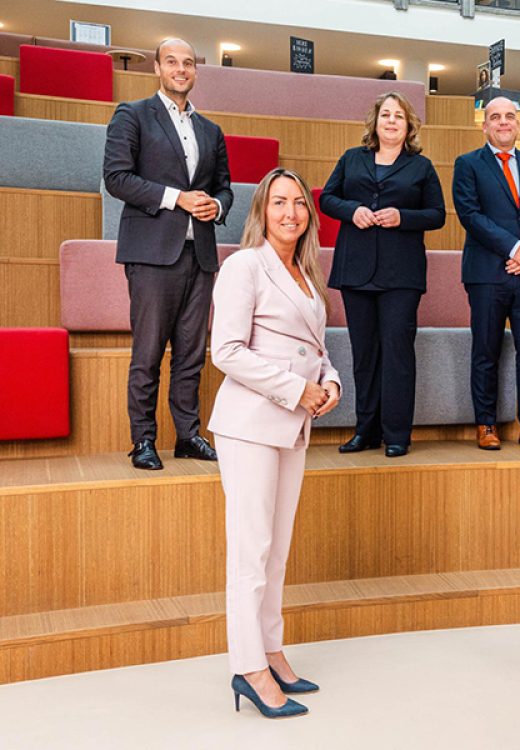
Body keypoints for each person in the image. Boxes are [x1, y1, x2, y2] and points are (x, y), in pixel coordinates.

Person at [209, 168, 342, 718]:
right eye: (279, 203)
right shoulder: (244, 265)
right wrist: (299, 389)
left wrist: (331, 382)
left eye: (299, 205)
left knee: (277, 550)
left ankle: (271, 648)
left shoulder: (307, 275)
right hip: (250, 426)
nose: (291, 213)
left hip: (292, 426)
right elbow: (227, 351)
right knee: (251, 552)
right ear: (261, 211)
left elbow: (317, 348)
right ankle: (248, 667)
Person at [103, 38, 233, 470]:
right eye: (172, 61)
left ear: (196, 72)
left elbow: (225, 189)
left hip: (200, 256)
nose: (181, 69)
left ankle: (188, 435)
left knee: (192, 355)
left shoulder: (211, 131)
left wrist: (217, 207)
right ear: (157, 68)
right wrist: (178, 198)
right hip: (152, 254)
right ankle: (142, 440)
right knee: (148, 353)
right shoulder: (133, 115)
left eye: (189, 63)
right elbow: (117, 178)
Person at [319, 91, 446, 458]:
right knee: (364, 355)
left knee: (397, 353)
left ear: (408, 127)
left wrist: (403, 217)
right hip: (356, 269)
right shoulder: (351, 158)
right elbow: (327, 198)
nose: (391, 121)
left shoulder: (421, 167)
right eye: (386, 114)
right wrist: (351, 210)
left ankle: (396, 434)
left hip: (401, 274)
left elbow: (437, 214)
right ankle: (366, 431)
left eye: (399, 116)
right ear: (375, 122)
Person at [453, 96, 520, 450]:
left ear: (518, 123)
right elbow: (470, 215)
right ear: (484, 125)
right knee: (486, 350)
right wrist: (515, 249)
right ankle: (486, 424)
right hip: (487, 274)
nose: (503, 122)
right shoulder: (467, 164)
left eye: (509, 116)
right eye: (495, 117)